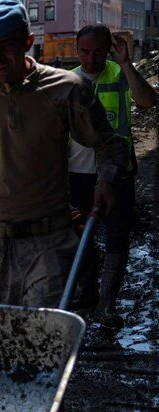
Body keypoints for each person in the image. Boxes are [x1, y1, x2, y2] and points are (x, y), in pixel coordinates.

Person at [0, 0, 126, 308]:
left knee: (43, 335)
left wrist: (106, 180)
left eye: (7, 45)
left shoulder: (67, 90)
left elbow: (109, 142)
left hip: (50, 238)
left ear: (28, 42)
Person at [68, 25, 156, 325]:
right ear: (76, 50)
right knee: (80, 235)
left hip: (118, 174)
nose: (91, 58)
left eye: (98, 51)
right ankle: (87, 293)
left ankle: (107, 304)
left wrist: (126, 63)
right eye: (85, 52)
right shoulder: (66, 82)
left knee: (118, 236)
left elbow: (146, 101)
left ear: (109, 49)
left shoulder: (119, 75)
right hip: (77, 174)